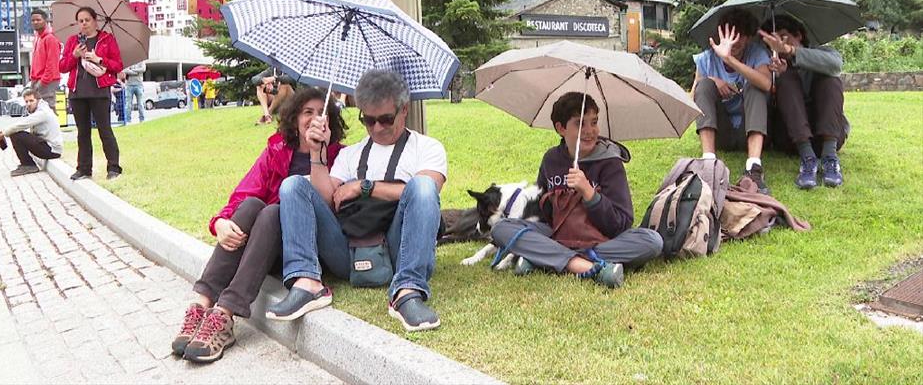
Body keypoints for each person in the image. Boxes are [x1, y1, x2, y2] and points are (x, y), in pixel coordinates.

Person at [171, 87, 346, 363]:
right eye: (306, 112)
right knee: (253, 206)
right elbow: (244, 194)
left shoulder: (340, 157)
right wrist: (220, 223)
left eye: (320, 113)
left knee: (273, 211)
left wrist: (318, 154)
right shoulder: (277, 150)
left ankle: (225, 314)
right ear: (294, 118)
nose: (313, 119)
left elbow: (333, 209)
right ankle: (202, 303)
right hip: (265, 241)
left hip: (305, 252)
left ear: (330, 122)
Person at [268, 70, 447, 332]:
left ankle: (407, 290)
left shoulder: (427, 148)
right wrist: (318, 155)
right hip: (347, 252)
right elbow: (327, 199)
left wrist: (364, 187)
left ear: (404, 109)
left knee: (420, 185)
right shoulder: (351, 154)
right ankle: (307, 282)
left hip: (399, 250)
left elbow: (428, 190)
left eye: (386, 119)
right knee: (293, 185)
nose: (377, 128)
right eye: (369, 120)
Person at [490, 92, 663, 288]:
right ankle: (583, 265)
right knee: (501, 228)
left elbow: (621, 224)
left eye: (594, 122)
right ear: (560, 128)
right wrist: (553, 200)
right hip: (558, 234)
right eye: (580, 124)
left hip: (600, 237)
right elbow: (542, 215)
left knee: (652, 241)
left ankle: (544, 259)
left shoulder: (610, 162)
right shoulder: (551, 160)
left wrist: (590, 194)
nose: (590, 131)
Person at [759, 15, 847, 189]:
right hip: (791, 139)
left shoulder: (823, 52)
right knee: (786, 80)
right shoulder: (771, 64)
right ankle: (808, 160)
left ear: (798, 35)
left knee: (830, 80)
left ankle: (830, 158)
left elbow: (836, 65)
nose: (778, 44)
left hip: (827, 134)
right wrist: (777, 78)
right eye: (773, 41)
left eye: (783, 37)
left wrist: (792, 52)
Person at [691, 9, 773, 193]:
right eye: (730, 35)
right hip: (723, 131)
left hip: (750, 129)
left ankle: (753, 167)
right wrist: (712, 80)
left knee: (755, 85)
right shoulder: (707, 58)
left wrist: (729, 59)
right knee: (703, 85)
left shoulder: (757, 53)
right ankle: (708, 161)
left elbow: (767, 84)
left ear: (748, 37)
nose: (734, 41)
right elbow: (693, 99)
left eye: (740, 36)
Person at [58, 6, 123, 180]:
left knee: (105, 130)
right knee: (83, 132)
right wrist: (74, 55)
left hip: (100, 91)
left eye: (87, 19)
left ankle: (113, 168)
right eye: (81, 21)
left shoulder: (107, 40)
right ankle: (84, 169)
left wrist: (99, 59)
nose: (84, 23)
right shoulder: (73, 41)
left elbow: (117, 66)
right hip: (77, 92)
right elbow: (62, 67)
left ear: (95, 21)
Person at [0, 88, 62, 177]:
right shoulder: (38, 110)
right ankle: (27, 164)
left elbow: (22, 124)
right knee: (17, 133)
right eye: (26, 101)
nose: (28, 104)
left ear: (38, 100)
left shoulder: (42, 112)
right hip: (47, 146)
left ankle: (28, 165)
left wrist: (2, 133)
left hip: (52, 150)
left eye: (31, 101)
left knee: (16, 134)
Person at [29, 9, 62, 109]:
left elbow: (52, 63)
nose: (35, 22)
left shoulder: (50, 38)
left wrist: (43, 81)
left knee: (47, 109)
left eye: (38, 20)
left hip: (47, 80)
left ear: (45, 20)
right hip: (37, 79)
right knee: (39, 109)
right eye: (33, 20)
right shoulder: (38, 37)